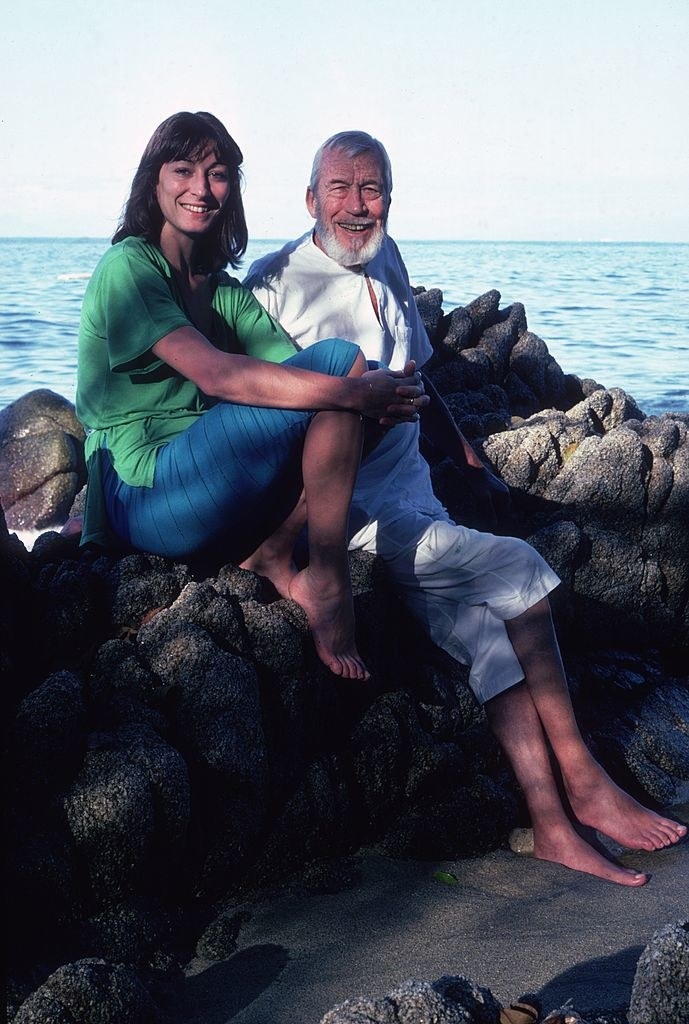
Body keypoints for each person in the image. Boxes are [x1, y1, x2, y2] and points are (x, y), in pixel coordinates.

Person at [244, 130, 687, 885]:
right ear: (310, 199)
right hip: (351, 520)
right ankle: (583, 781)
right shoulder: (271, 283)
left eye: (372, 188)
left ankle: (549, 824)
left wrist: (468, 455)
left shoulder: (384, 256)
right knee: (518, 566)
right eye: (341, 189)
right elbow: (264, 420)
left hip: (417, 500)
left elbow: (416, 371)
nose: (358, 205)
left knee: (487, 636)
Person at [75, 112, 427, 682]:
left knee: (348, 377)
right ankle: (329, 583)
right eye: (183, 170)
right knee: (344, 377)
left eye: (217, 174)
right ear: (153, 181)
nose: (200, 188)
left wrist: (381, 397)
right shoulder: (128, 268)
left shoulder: (222, 292)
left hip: (198, 484)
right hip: (143, 493)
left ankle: (276, 555)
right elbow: (217, 375)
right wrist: (355, 393)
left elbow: (295, 371)